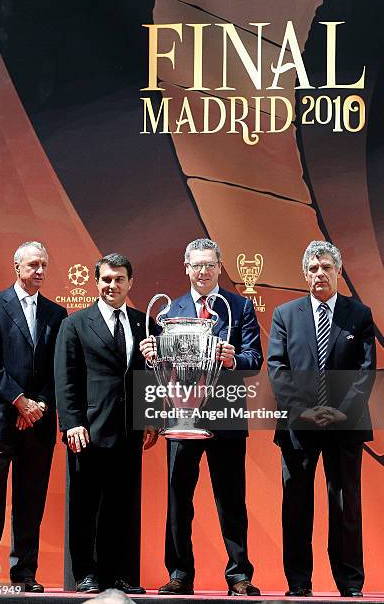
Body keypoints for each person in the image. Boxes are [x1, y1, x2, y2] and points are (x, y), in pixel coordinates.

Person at [140, 238, 263, 596]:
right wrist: (152, 354)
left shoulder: (238, 307)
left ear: (220, 267)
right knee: (178, 498)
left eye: (209, 264)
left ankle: (239, 575)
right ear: (186, 267)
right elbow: (165, 368)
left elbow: (255, 359)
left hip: (225, 413)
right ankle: (179, 573)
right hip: (180, 416)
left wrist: (232, 359)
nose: (203, 271)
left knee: (231, 499)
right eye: (196, 265)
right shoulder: (170, 312)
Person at [267, 240, 376, 597]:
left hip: (345, 424)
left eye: (326, 267)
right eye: (313, 269)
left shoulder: (359, 314)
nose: (319, 274)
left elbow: (365, 370)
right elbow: (278, 368)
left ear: (338, 272)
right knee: (296, 506)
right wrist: (304, 411)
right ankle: (298, 583)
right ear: (304, 274)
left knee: (345, 505)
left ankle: (350, 583)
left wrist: (341, 410)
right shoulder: (285, 314)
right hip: (299, 426)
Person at [55, 253, 158, 594]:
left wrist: (151, 418)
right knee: (85, 505)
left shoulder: (145, 324)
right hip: (88, 430)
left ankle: (117, 575)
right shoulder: (75, 323)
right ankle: (86, 572)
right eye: (106, 279)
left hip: (129, 431)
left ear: (131, 283)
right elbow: (65, 378)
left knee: (121, 506)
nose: (112, 285)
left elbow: (154, 375)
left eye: (119, 279)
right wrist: (71, 422)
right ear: (96, 282)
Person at [0, 241, 67, 592]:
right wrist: (19, 402)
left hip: (37, 422)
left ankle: (24, 572)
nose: (39, 271)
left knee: (30, 501)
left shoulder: (57, 314)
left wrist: (36, 405)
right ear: (17, 267)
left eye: (44, 265)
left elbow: (56, 367)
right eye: (33, 265)